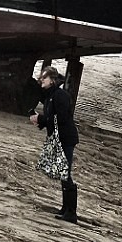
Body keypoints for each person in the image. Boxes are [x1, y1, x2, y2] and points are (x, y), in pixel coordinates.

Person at [30, 65, 80, 223]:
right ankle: (66, 208)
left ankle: (71, 212)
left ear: (52, 80)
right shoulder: (51, 95)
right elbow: (53, 118)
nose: (40, 80)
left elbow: (61, 118)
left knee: (65, 173)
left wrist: (41, 119)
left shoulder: (60, 95)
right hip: (59, 137)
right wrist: (39, 121)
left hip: (66, 138)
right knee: (62, 172)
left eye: (43, 77)